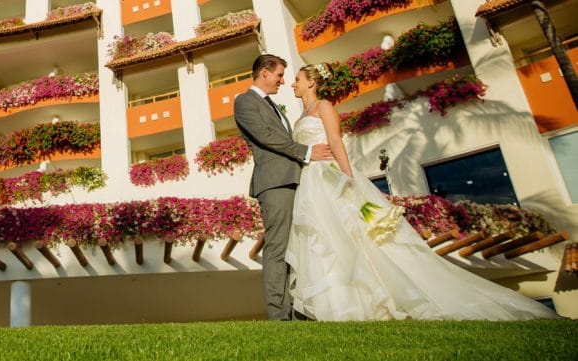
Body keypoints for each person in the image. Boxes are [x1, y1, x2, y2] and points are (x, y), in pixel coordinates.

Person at [284, 63, 559, 320]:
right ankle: (339, 305)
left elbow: (335, 141)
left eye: (297, 79)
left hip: (330, 176)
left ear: (312, 83)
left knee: (350, 237)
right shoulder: (300, 117)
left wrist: (349, 179)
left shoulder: (324, 106)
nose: (293, 84)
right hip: (310, 181)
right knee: (323, 239)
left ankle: (375, 299)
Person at [234, 54, 334, 321]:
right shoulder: (244, 101)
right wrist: (307, 152)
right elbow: (266, 137)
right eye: (279, 75)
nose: (282, 81)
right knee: (278, 247)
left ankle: (297, 308)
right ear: (264, 72)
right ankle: (279, 314)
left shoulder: (272, 105)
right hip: (275, 182)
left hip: (293, 179)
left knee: (294, 247)